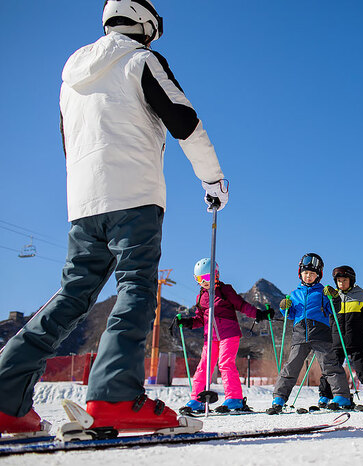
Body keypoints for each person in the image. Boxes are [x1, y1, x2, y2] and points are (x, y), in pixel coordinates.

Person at [0, 0, 229, 436]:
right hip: (135, 195)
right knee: (136, 288)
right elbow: (184, 121)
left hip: (83, 203)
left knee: (71, 296)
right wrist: (213, 180)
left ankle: (4, 395)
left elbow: (68, 142)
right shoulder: (142, 60)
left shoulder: (70, 79)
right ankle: (114, 396)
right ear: (144, 24)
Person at [175, 259, 273, 414]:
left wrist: (258, 314)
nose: (205, 282)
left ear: (217, 275)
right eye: (201, 279)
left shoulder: (225, 290)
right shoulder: (201, 297)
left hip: (229, 334)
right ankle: (197, 399)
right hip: (210, 337)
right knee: (203, 367)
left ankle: (234, 398)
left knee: (225, 364)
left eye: (209, 277)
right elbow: (200, 319)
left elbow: (242, 305)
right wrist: (188, 322)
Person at [267, 254, 352, 414]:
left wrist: (334, 297)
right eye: (306, 273)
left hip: (320, 333)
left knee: (330, 364)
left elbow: (335, 308)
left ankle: (341, 396)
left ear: (318, 276)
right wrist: (284, 307)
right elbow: (290, 315)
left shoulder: (323, 292)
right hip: (300, 334)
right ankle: (279, 398)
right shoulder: (294, 294)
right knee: (291, 366)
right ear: (300, 274)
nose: (309, 276)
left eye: (312, 274)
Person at [317, 266, 363, 407]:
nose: (341, 283)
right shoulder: (332, 297)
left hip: (356, 340)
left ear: (351, 280)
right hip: (336, 340)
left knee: (362, 369)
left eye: (344, 280)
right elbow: (324, 315)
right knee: (331, 368)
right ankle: (325, 395)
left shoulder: (360, 295)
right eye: (339, 280)